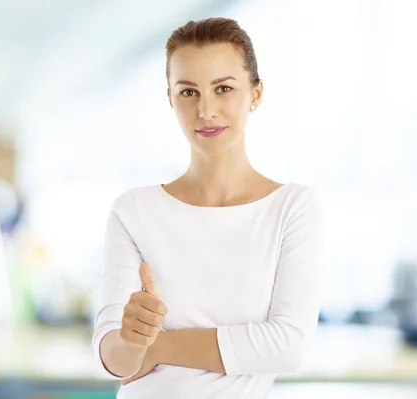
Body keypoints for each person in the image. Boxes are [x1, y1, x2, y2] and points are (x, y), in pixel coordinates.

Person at [92, 17, 322, 399]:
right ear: (170, 98)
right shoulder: (133, 210)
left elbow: (288, 345)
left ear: (256, 93)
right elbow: (115, 361)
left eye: (224, 89)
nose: (206, 110)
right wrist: (132, 340)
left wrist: (160, 347)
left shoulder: (292, 207)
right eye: (188, 92)